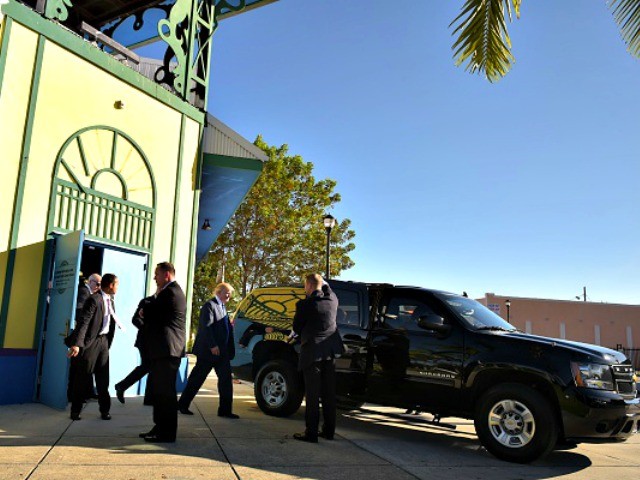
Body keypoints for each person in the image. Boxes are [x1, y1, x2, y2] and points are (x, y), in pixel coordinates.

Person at [292, 274, 343, 443]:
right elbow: (328, 289)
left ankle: (311, 433)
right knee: (329, 394)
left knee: (312, 395)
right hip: (330, 352)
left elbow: (297, 327)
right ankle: (329, 431)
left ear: (308, 285)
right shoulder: (333, 300)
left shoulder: (304, 305)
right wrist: (321, 283)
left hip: (312, 353)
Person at [139, 262, 186, 443]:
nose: (154, 278)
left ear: (166, 275)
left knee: (165, 395)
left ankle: (165, 433)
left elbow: (154, 313)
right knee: (160, 393)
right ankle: (159, 428)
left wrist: (147, 310)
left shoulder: (171, 292)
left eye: (157, 274)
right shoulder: (169, 292)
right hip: (164, 351)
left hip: (168, 350)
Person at [178, 282, 239, 419]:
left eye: (230, 293)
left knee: (226, 380)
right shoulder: (209, 306)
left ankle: (225, 410)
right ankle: (182, 405)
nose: (229, 295)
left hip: (222, 353)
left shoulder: (222, 307)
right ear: (219, 292)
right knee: (197, 379)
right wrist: (212, 345)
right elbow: (206, 327)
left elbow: (227, 329)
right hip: (209, 352)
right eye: (226, 292)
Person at [66, 273, 119, 421]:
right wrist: (77, 344)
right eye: (117, 284)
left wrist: (107, 344)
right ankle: (75, 411)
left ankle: (104, 410)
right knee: (83, 377)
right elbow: (84, 322)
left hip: (103, 343)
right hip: (91, 343)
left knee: (103, 378)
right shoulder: (93, 300)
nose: (117, 287)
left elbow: (111, 323)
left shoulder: (111, 301)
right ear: (110, 285)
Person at [114, 295, 155, 405]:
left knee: (152, 367)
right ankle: (122, 386)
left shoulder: (164, 301)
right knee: (149, 366)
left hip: (156, 342)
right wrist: (148, 329)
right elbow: (135, 319)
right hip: (145, 341)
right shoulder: (147, 301)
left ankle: (148, 399)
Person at [68, 273, 101, 402]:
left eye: (100, 284)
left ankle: (88, 392)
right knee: (78, 367)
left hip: (89, 336)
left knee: (88, 364)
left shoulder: (95, 295)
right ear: (90, 282)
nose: (99, 286)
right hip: (81, 335)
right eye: (97, 284)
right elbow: (79, 311)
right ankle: (75, 395)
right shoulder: (84, 292)